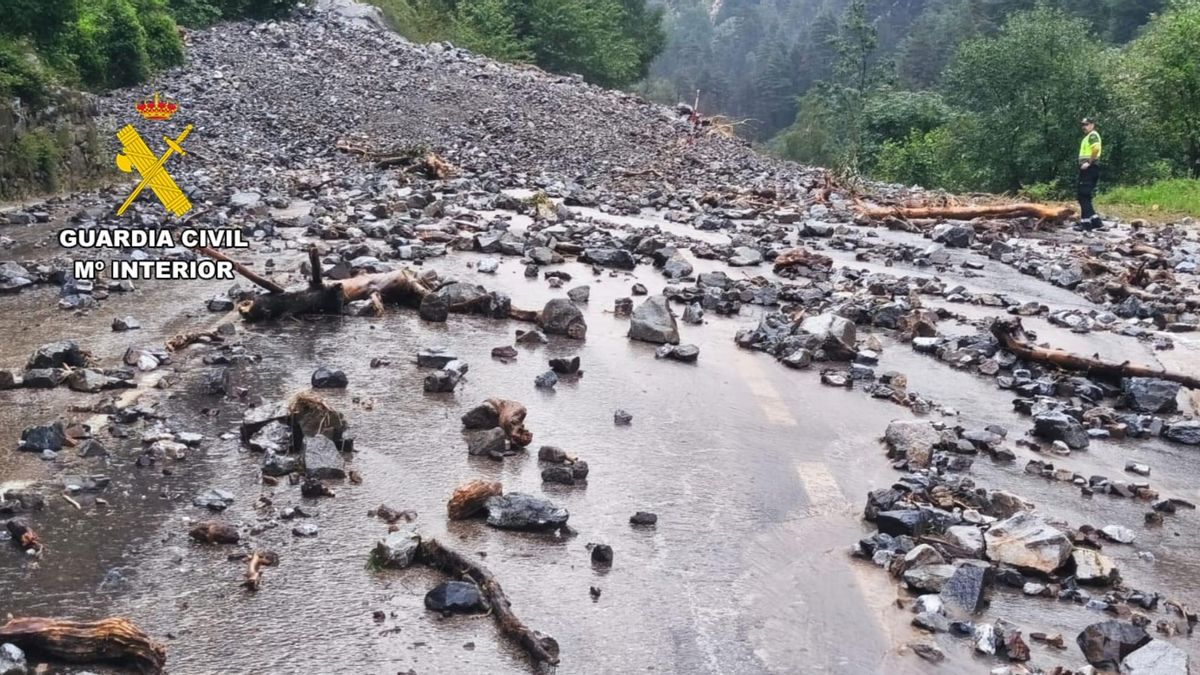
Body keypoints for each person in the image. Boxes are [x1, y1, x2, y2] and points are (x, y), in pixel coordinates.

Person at [1075, 118, 1103, 231]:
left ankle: (1086, 223)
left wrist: (1088, 162)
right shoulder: (1088, 137)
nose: (1084, 127)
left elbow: (1096, 148)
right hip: (1090, 169)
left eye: (1086, 124)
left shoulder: (1092, 136)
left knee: (1082, 195)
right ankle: (1096, 222)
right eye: (1082, 125)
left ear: (1092, 125)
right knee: (1085, 196)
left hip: (1089, 168)